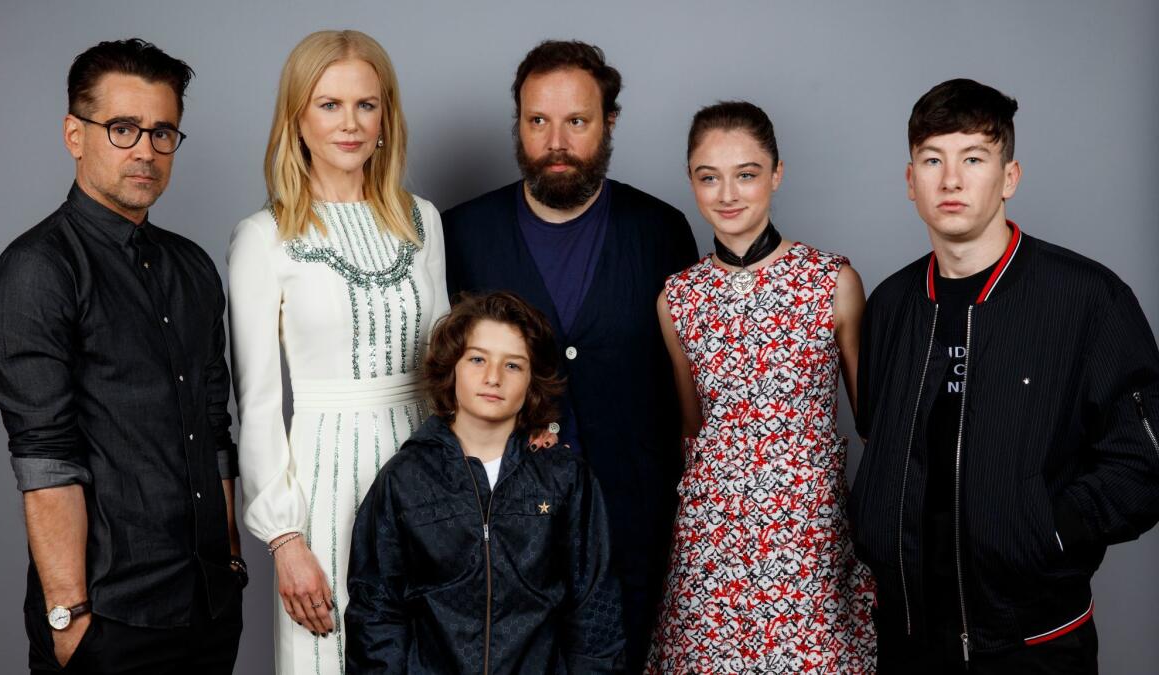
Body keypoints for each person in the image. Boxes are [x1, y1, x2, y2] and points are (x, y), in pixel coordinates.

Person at [850, 78, 1159, 674]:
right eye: (932, 160)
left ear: (1009, 177)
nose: (951, 180)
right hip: (909, 635)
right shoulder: (891, 304)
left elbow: (1143, 460)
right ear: (910, 181)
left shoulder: (1086, 300)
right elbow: (876, 439)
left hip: (1033, 641)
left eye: (973, 159)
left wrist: (1049, 529)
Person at [0, 39, 245, 674]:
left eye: (162, 132)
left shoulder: (193, 267)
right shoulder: (36, 272)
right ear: (75, 133)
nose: (144, 150)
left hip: (208, 602)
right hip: (109, 619)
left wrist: (229, 558)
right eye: (122, 128)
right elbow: (45, 458)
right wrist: (69, 619)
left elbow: (213, 426)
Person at [442, 40, 698, 671]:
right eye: (537, 122)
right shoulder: (460, 234)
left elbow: (691, 385)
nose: (555, 142)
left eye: (576, 122)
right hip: (500, 529)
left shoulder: (661, 231)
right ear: (519, 125)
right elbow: (440, 385)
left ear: (609, 124)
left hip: (634, 525)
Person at [227, 30, 450, 675]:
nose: (350, 123)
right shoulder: (263, 237)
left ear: (386, 117)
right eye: (328, 105)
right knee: (327, 656)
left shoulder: (423, 219)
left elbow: (446, 368)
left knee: (434, 647)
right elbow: (260, 400)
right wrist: (285, 537)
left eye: (366, 105)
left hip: (428, 469)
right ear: (297, 118)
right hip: (323, 482)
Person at [646, 102, 876, 673]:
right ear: (692, 181)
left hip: (810, 539)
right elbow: (693, 430)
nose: (728, 194)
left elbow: (873, 423)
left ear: (776, 174)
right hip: (712, 546)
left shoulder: (833, 281)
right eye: (709, 176)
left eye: (746, 174)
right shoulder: (677, 298)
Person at [345, 291, 625, 673]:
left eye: (513, 366)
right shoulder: (405, 479)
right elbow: (376, 613)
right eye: (477, 359)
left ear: (532, 381)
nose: (493, 377)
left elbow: (596, 611)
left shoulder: (565, 479)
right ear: (451, 367)